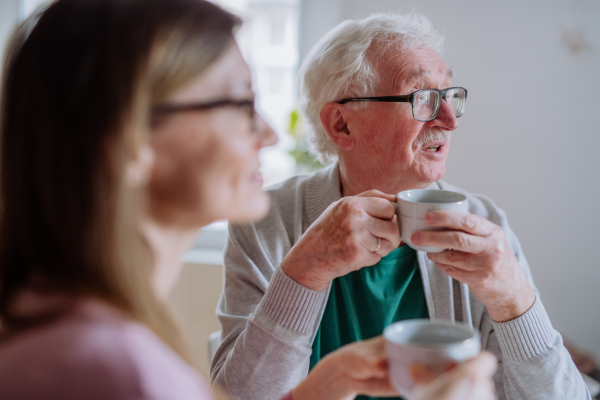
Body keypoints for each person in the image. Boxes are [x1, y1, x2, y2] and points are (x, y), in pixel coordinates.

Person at [0, 1, 497, 399]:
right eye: (238, 103)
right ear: (131, 143)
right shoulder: (109, 366)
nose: (268, 134)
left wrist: (322, 389)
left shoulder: (76, 330)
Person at [211, 11, 591, 400]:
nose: (449, 120)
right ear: (341, 124)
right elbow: (236, 395)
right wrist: (304, 271)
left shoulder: (485, 225)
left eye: (447, 95)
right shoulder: (264, 220)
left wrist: (515, 298)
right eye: (422, 98)